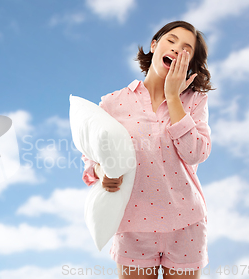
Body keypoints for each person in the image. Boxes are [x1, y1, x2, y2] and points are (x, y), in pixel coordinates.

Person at [81, 20, 214, 279]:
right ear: (155, 45)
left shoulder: (195, 101)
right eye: (171, 41)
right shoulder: (113, 102)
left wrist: (173, 98)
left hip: (186, 224)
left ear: (190, 62)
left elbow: (196, 153)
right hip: (132, 226)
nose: (177, 49)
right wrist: (101, 170)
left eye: (186, 49)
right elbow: (92, 152)